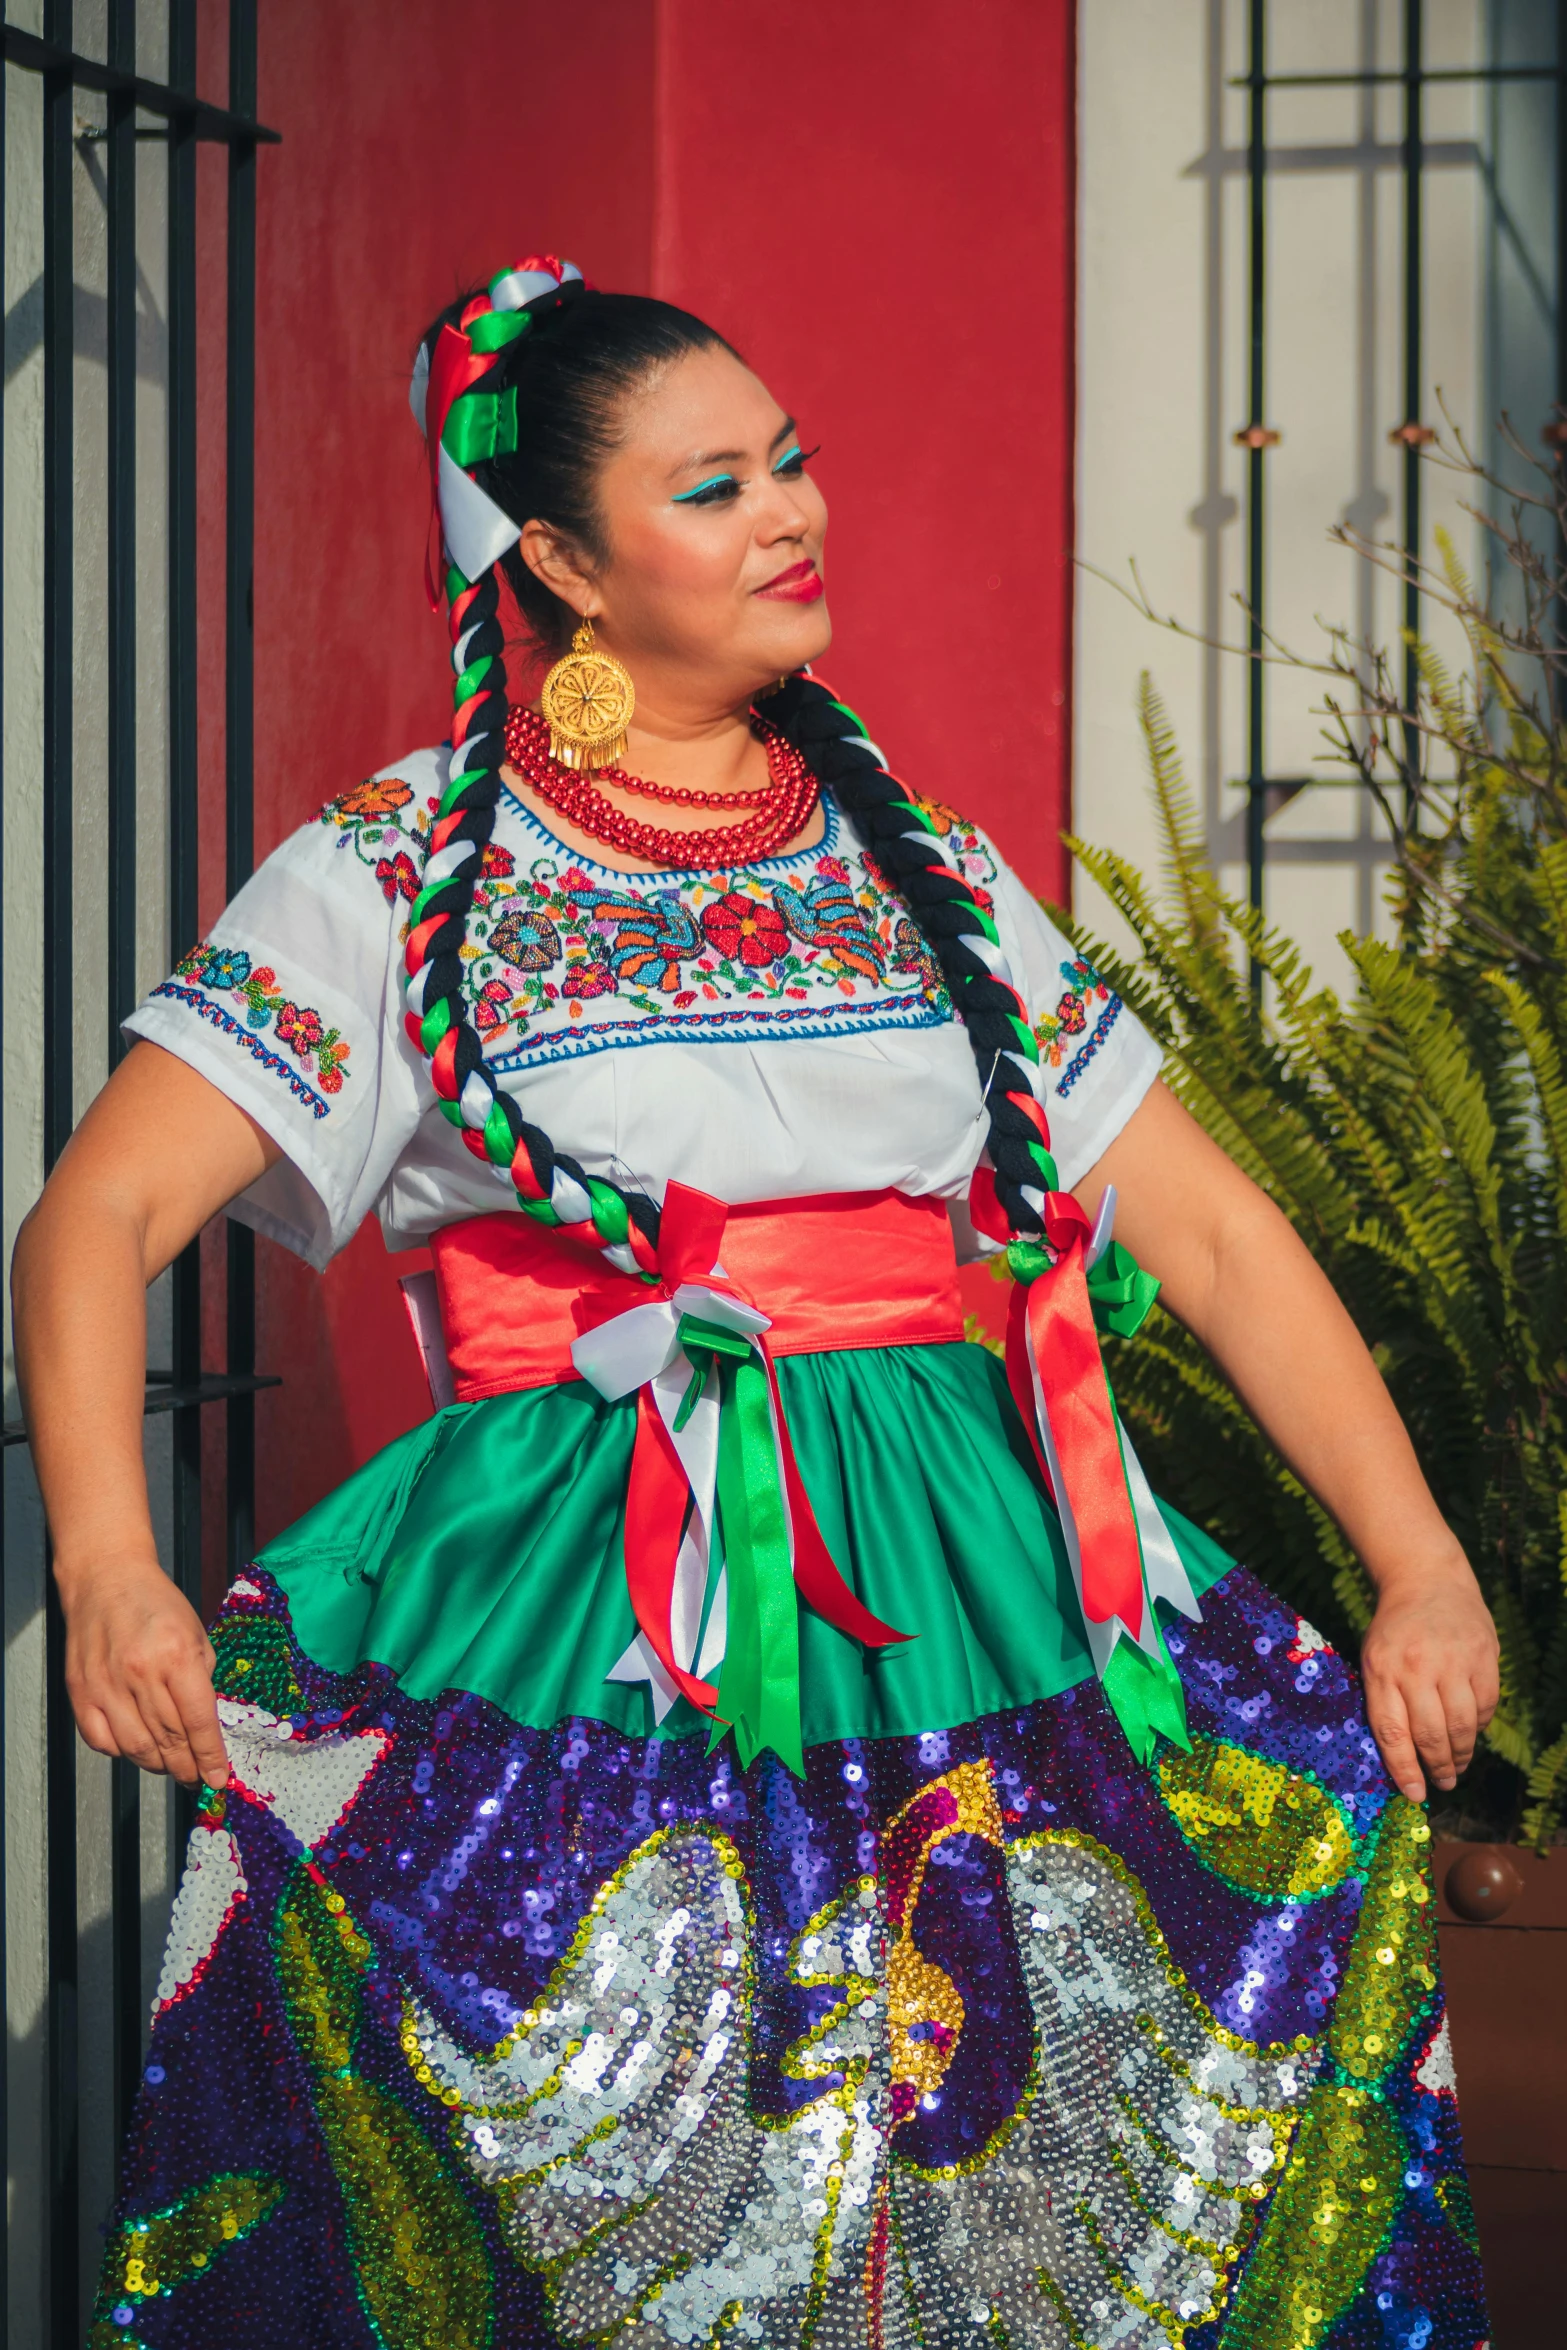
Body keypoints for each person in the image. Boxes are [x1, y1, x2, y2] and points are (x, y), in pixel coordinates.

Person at [14, 257, 1493, 2350]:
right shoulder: (401, 871)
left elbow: (1226, 1236)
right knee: (626, 2177)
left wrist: (1416, 1559)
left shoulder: (919, 865)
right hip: (573, 1622)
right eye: (713, 487)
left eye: (788, 460)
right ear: (561, 561)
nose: (791, 511)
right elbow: (88, 1217)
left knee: (1007, 2170)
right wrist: (105, 1558)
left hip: (971, 1592)